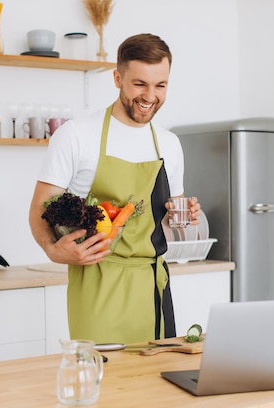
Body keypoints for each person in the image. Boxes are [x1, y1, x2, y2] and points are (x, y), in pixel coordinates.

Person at [28, 33, 201, 344]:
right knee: (104, 382)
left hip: (152, 284)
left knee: (156, 385)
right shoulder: (76, 135)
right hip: (98, 281)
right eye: (139, 84)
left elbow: (170, 222)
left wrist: (186, 215)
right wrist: (53, 250)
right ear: (117, 78)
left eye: (160, 85)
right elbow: (40, 207)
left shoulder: (170, 144)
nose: (150, 95)